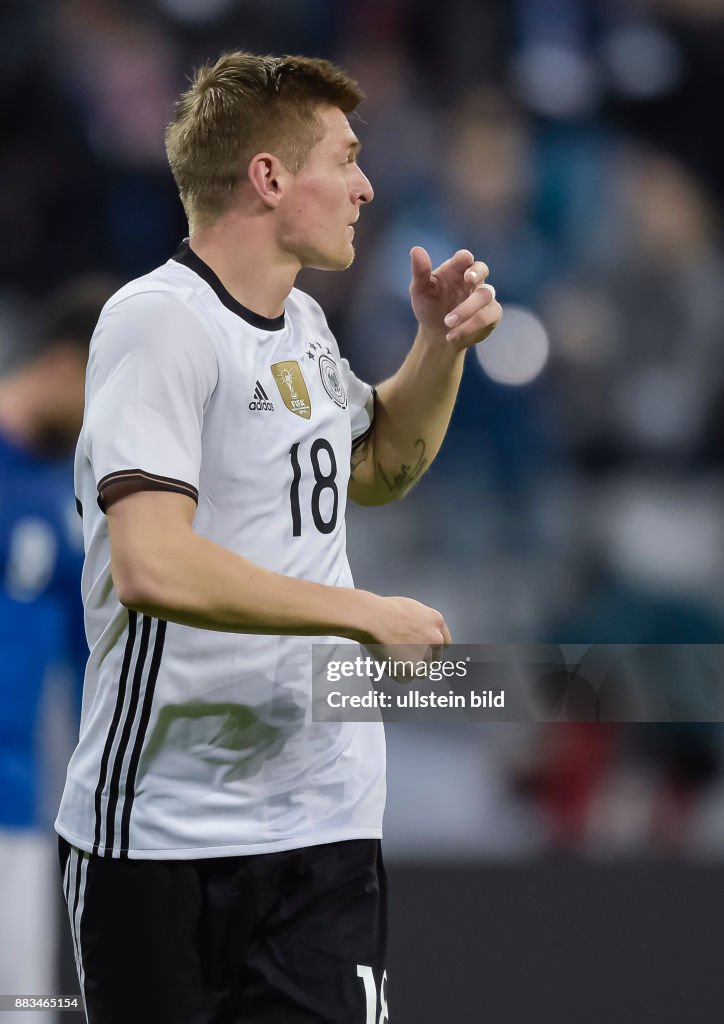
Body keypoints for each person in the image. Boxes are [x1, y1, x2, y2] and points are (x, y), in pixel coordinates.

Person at [54, 51, 502, 1024]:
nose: (364, 184)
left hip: (326, 821)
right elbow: (150, 561)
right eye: (343, 157)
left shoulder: (299, 324)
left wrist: (438, 349)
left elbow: (374, 467)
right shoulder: (158, 324)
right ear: (267, 176)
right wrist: (354, 612)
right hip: (168, 835)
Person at [0, 279, 114, 1022]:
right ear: (65, 368)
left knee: (24, 1008)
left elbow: (92, 667)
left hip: (15, 811)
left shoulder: (66, 497)